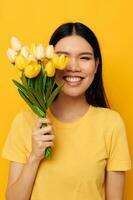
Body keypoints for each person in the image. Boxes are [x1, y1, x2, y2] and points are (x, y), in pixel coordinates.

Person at [2, 22, 132, 200]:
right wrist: (34, 157)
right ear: (48, 63)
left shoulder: (111, 124)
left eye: (84, 58)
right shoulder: (24, 121)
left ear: (96, 65)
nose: (73, 66)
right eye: (62, 57)